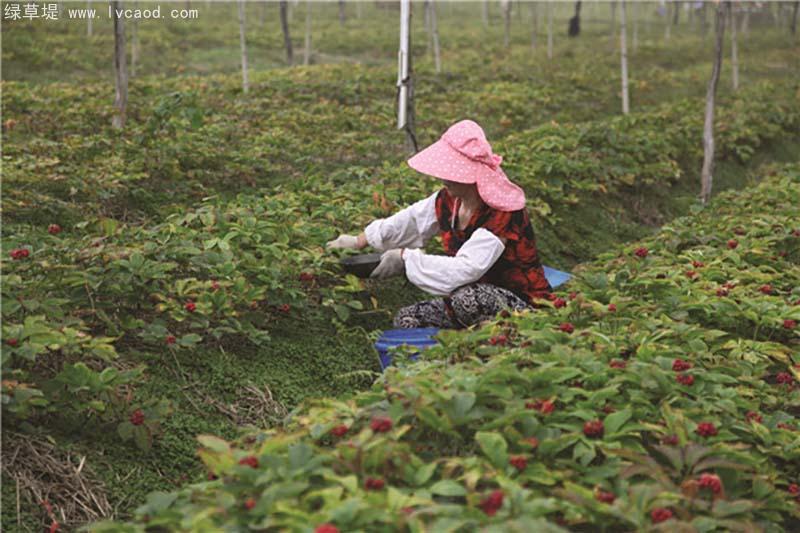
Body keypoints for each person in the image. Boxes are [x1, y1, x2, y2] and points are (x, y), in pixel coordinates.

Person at [326, 119, 552, 329]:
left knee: (469, 299)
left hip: (520, 303)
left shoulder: (502, 213)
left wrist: (406, 259)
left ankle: (502, 334)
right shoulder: (449, 200)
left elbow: (466, 269)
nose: (443, 178)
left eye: (451, 171)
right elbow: (411, 220)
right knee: (406, 319)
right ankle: (458, 345)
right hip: (469, 297)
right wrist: (359, 241)